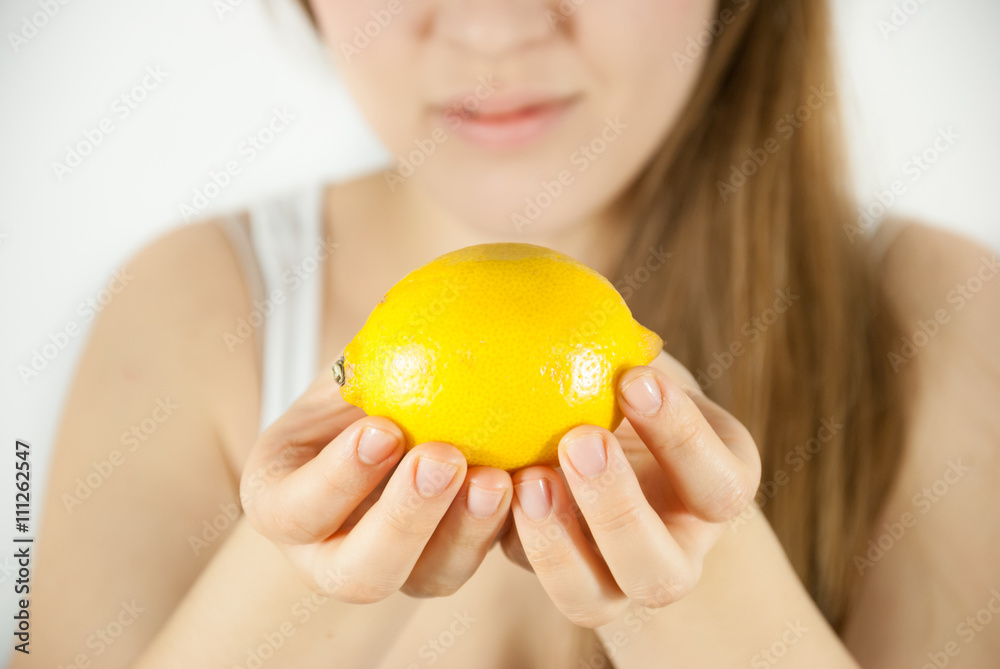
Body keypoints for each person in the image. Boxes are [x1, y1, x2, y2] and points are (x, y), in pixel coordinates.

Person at [21, 0, 1000, 667]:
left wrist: (704, 583)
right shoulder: (194, 303)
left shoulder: (942, 316)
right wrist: (307, 566)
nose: (492, 26)